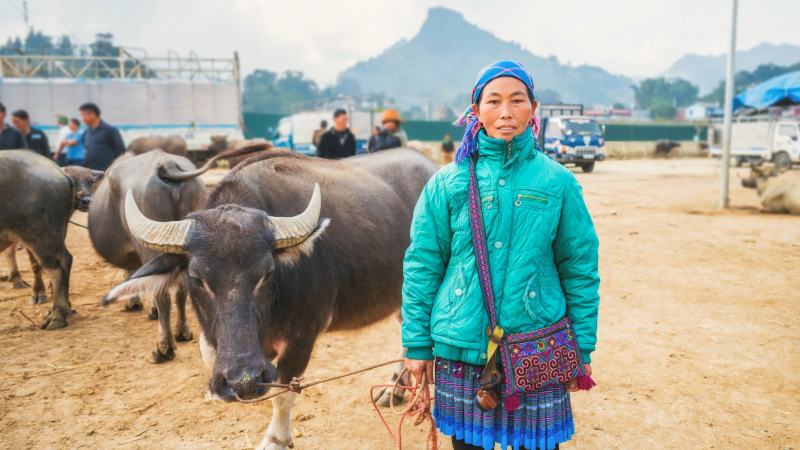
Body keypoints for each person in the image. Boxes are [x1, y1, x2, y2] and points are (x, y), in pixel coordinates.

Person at [402, 60, 600, 450]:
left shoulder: (559, 182)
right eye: (493, 102)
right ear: (475, 111)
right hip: (462, 346)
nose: (506, 113)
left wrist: (583, 345)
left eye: (517, 101)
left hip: (536, 343)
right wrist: (416, 345)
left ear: (533, 108)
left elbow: (579, 268)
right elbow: (422, 265)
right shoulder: (447, 182)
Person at [79, 103, 125, 171]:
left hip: (105, 173)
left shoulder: (110, 130)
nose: (82, 118)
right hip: (90, 174)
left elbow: (121, 152)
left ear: (92, 114)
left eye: (83, 115)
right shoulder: (86, 132)